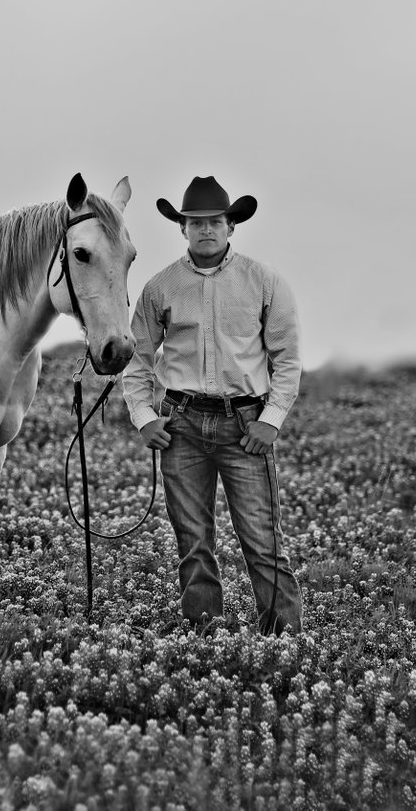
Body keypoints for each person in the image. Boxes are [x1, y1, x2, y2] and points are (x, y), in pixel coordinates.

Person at [123, 175, 304, 635]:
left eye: (215, 221)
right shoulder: (160, 287)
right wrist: (144, 417)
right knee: (193, 540)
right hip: (181, 423)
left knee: (262, 540)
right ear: (182, 228)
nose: (206, 229)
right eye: (196, 222)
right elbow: (138, 360)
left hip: (245, 424)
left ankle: (284, 642)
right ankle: (204, 634)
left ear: (231, 226)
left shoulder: (263, 281)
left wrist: (271, 419)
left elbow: (287, 358)